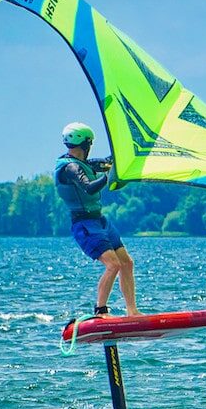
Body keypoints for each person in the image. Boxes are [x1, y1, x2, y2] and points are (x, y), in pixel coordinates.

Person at [54, 122, 139, 317]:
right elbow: (89, 187)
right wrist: (108, 177)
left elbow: (107, 162)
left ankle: (132, 311)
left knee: (126, 263)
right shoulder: (71, 168)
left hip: (100, 221)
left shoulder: (84, 164)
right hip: (84, 224)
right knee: (113, 265)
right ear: (86, 144)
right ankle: (100, 310)